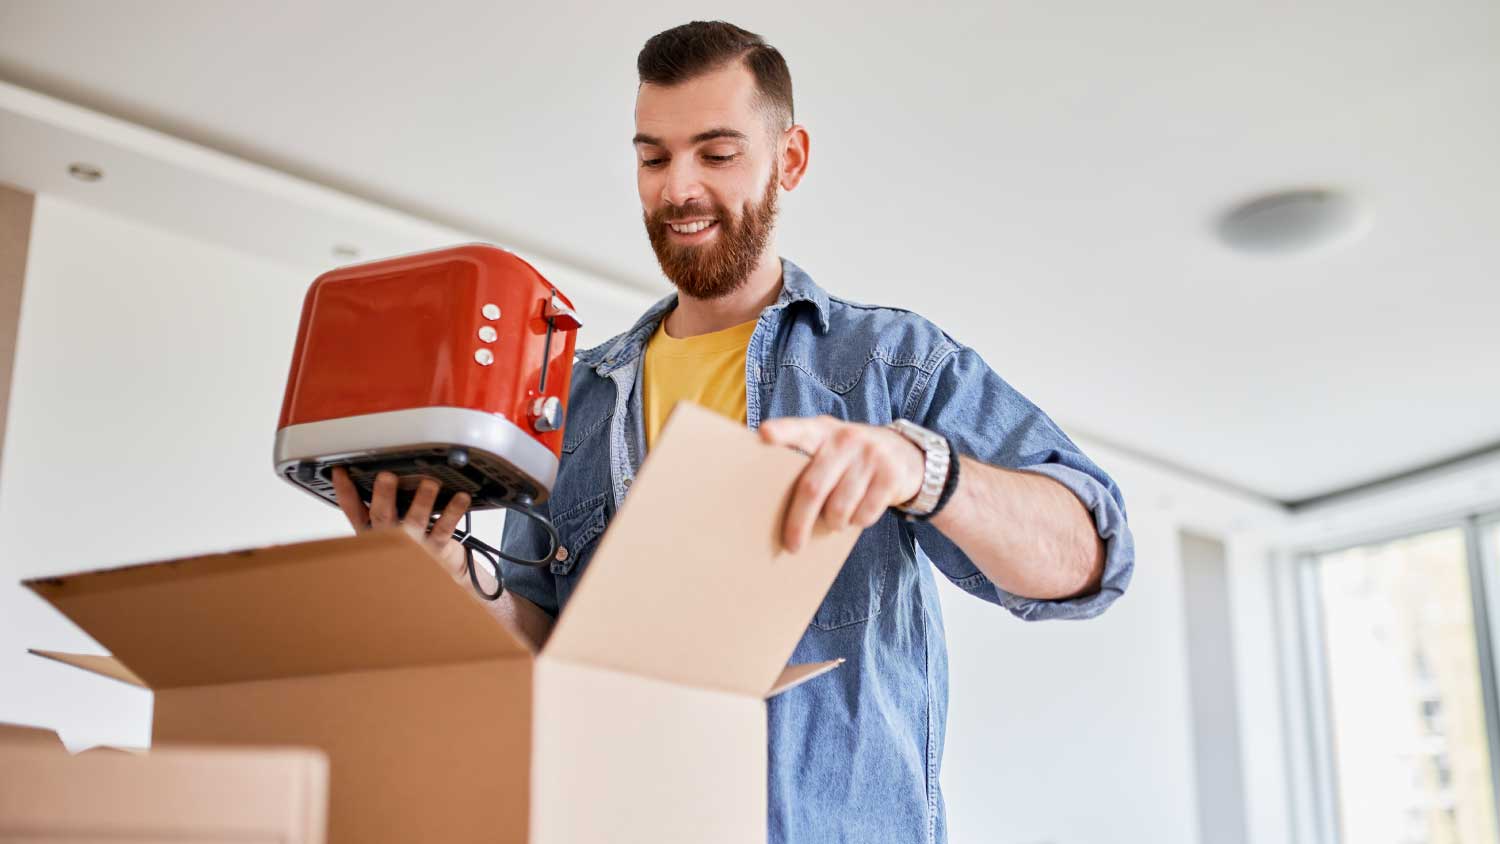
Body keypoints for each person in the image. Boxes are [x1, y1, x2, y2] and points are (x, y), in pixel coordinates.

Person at [332, 20, 1134, 843]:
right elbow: (546, 654)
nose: (679, 188)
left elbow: (1091, 557)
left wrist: (917, 468)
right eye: (653, 157)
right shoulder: (568, 404)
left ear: (789, 160)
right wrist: (448, 568)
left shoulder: (891, 366)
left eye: (716, 154)